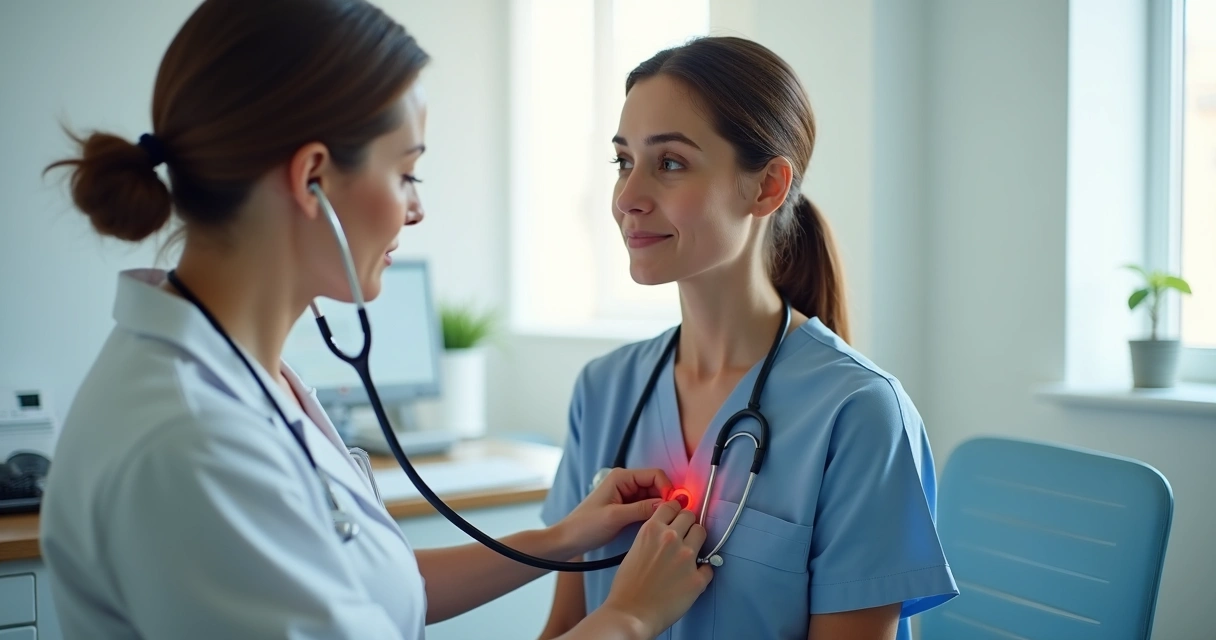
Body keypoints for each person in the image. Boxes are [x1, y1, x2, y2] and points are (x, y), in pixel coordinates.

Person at [37, 1, 712, 638]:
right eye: (407, 174)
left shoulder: (243, 375)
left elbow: (354, 585)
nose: (415, 211)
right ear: (312, 181)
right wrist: (626, 618)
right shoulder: (191, 442)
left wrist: (561, 536)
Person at [539, 37, 959, 640]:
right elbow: (564, 627)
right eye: (623, 162)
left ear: (766, 187)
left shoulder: (860, 415)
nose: (628, 198)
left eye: (671, 163)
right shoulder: (604, 388)